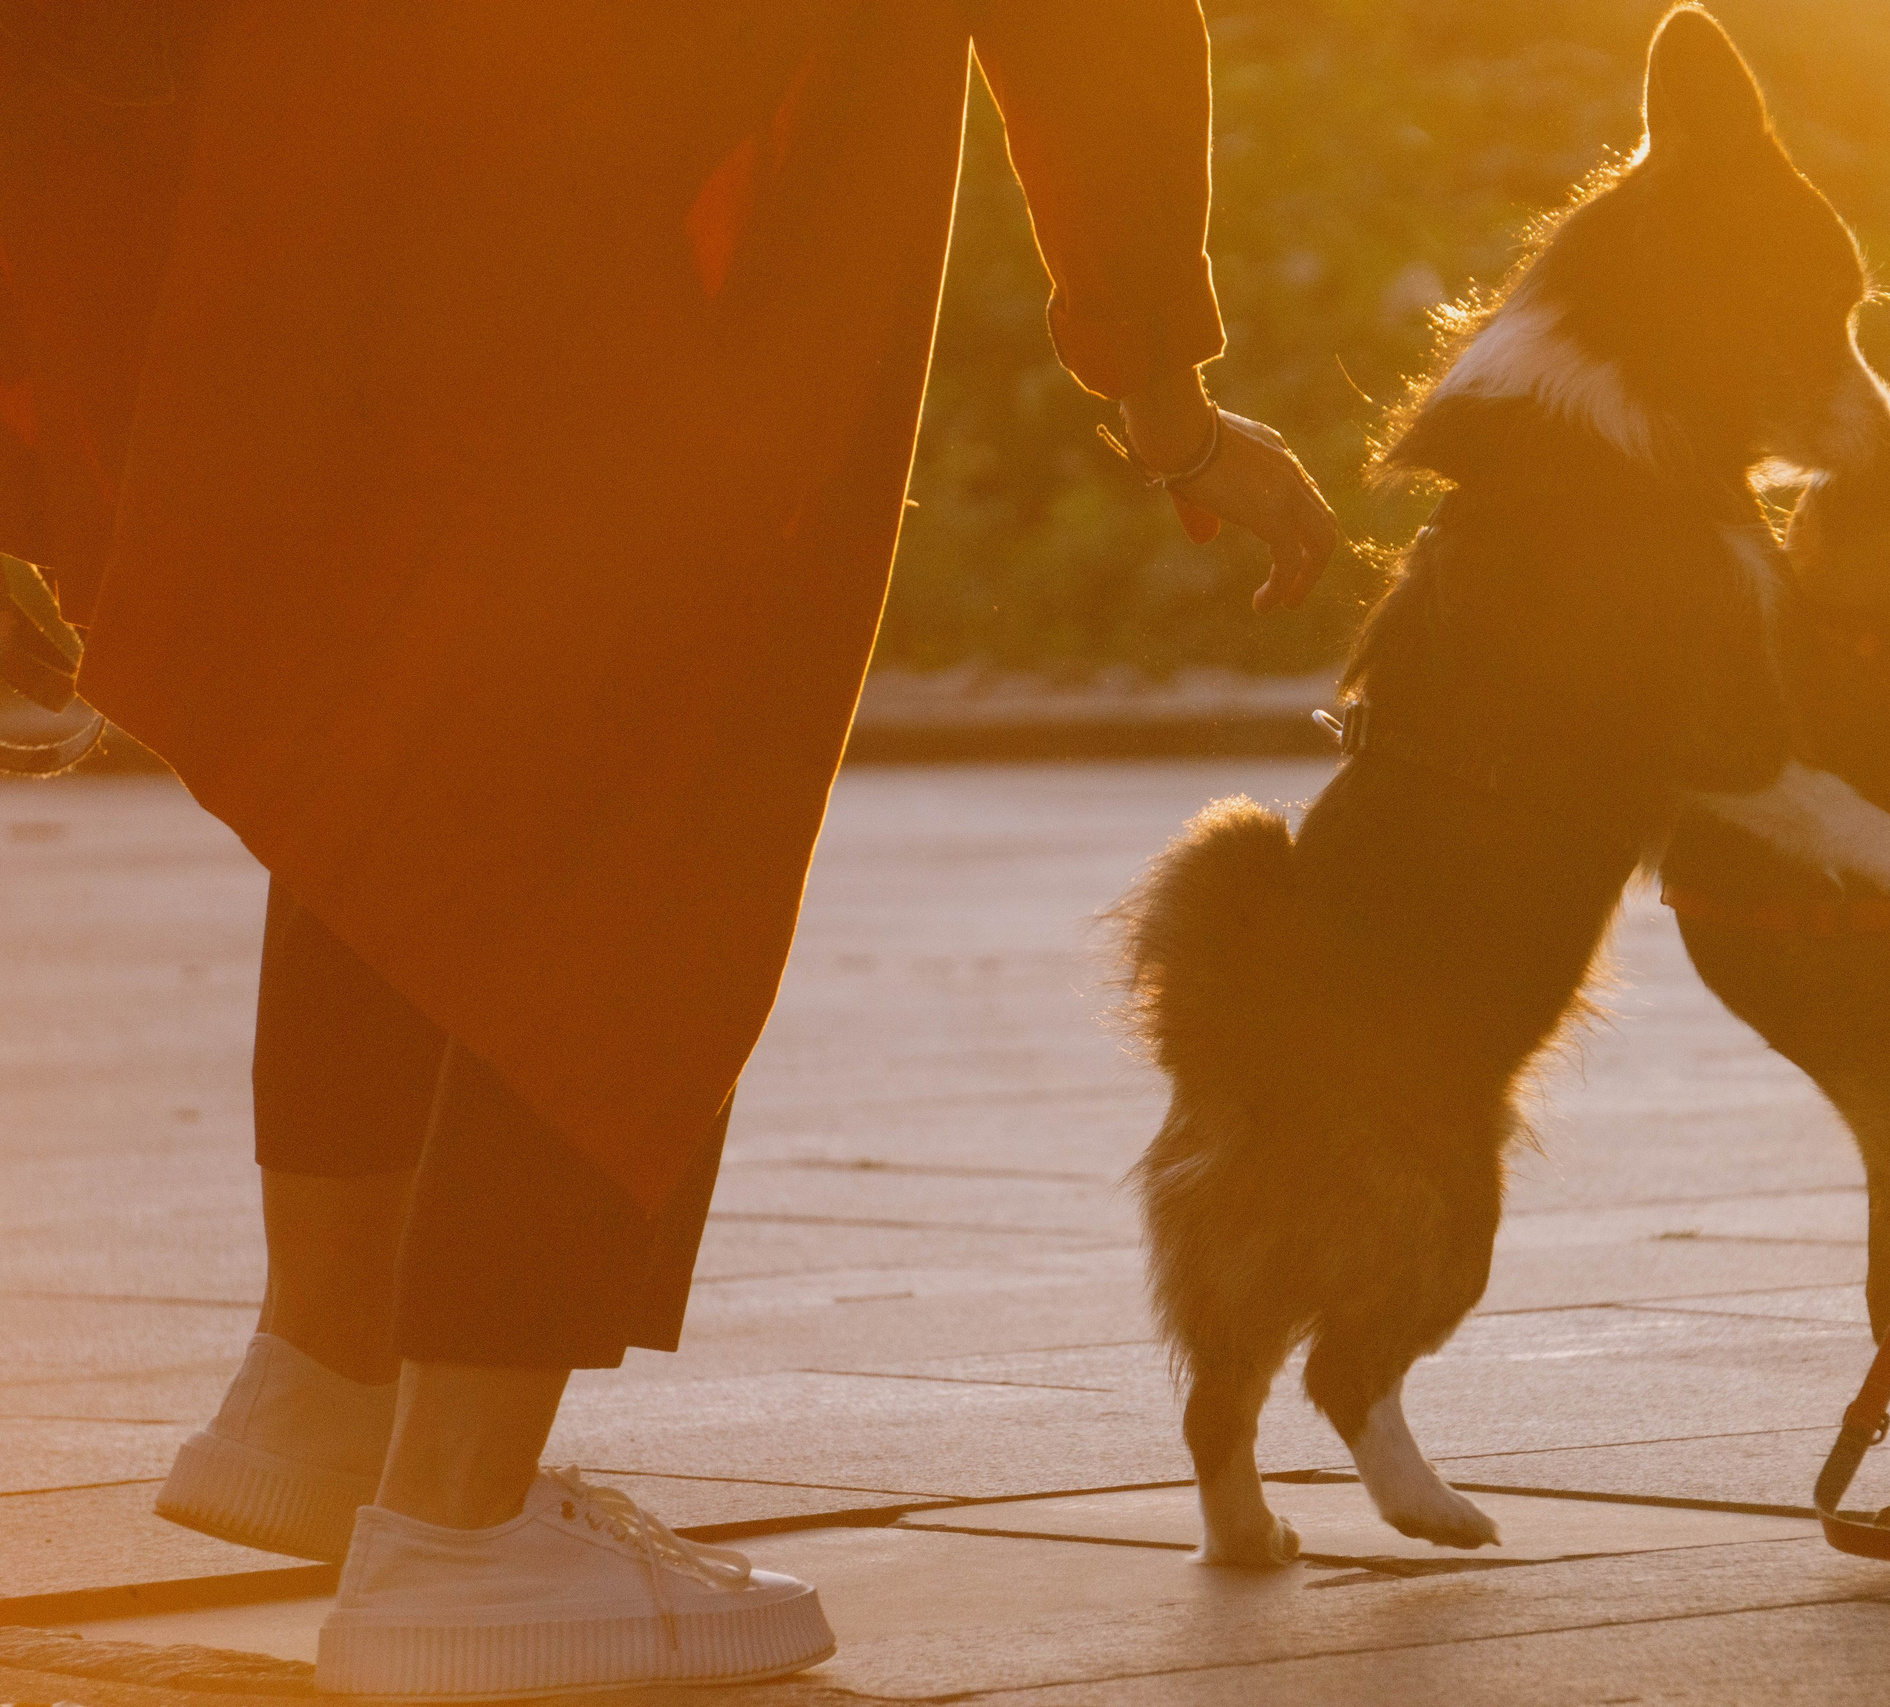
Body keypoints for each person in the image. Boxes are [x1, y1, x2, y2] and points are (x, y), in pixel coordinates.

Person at [0, 3, 1335, 1695]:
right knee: (635, 830)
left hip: (341, 193)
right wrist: (1162, 379)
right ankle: (458, 1534)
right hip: (686, 245)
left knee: (411, 750)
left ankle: (328, 1385)